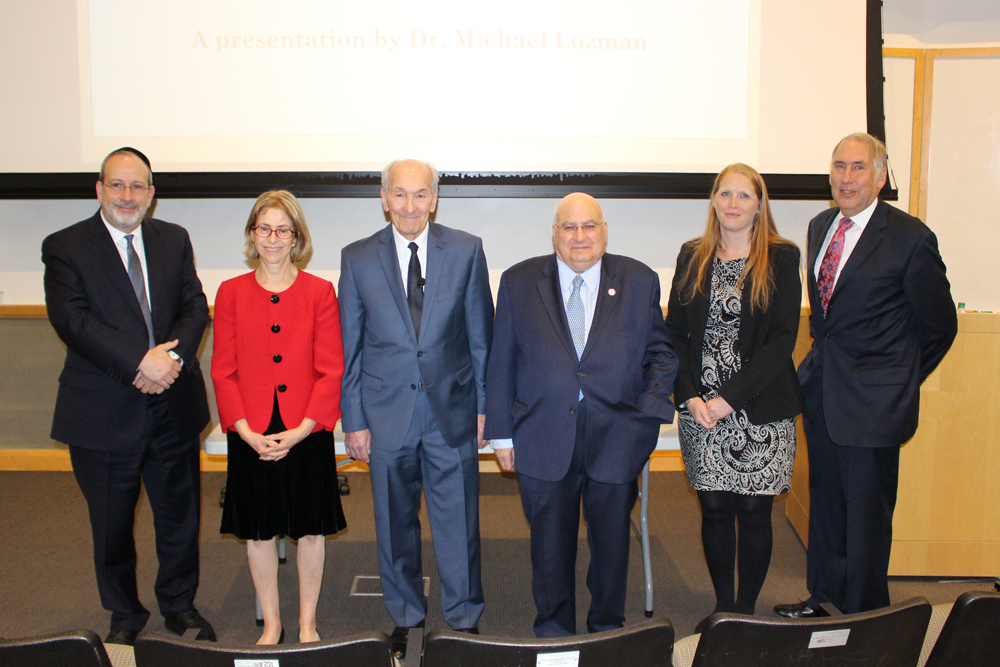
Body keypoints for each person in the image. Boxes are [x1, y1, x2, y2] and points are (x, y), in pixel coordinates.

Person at [774, 133, 957, 618]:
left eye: (858, 167)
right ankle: (824, 597)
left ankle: (868, 617)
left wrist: (897, 381)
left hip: (875, 406)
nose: (846, 178)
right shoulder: (819, 225)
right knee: (827, 505)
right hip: (824, 393)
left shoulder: (910, 238)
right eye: (839, 166)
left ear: (880, 176)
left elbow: (939, 326)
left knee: (868, 519)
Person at [41, 147, 215, 646]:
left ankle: (180, 606)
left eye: (138, 186)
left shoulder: (173, 240)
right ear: (98, 189)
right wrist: (142, 362)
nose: (127, 195)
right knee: (112, 524)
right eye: (117, 184)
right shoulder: (66, 246)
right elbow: (73, 321)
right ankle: (124, 612)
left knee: (179, 518)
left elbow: (194, 306)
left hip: (173, 406)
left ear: (151, 195)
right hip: (103, 411)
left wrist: (172, 360)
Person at [485, 193, 678, 637]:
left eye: (588, 226)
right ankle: (554, 631)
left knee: (611, 546)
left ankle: (607, 627)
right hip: (541, 435)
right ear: (554, 234)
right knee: (549, 547)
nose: (579, 237)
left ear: (604, 230)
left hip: (617, 437)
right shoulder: (518, 281)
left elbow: (662, 356)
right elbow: (501, 362)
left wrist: (647, 420)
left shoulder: (639, 279)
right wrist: (502, 435)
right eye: (568, 228)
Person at [338, 159, 493, 655]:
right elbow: (352, 349)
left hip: (452, 411)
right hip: (386, 416)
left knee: (458, 521)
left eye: (420, 194)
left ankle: (463, 618)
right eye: (400, 195)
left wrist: (486, 408)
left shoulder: (466, 250)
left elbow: (480, 339)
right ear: (384, 198)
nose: (410, 206)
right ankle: (405, 614)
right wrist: (354, 419)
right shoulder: (357, 257)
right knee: (393, 522)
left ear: (434, 198)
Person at [665, 164, 803, 630]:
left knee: (753, 508)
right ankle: (724, 606)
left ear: (759, 205)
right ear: (714, 201)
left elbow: (782, 339)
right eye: (725, 194)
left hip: (760, 409)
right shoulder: (693, 255)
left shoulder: (781, 257)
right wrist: (690, 398)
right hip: (702, 411)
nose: (733, 204)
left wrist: (730, 399)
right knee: (716, 507)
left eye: (744, 195)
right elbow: (675, 335)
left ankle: (746, 610)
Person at [212, 191, 346, 645]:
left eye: (282, 229)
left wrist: (304, 429)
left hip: (306, 429)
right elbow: (223, 370)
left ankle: (307, 622)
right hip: (250, 431)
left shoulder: (319, 292)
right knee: (259, 532)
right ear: (253, 234)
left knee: (309, 532)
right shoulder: (230, 292)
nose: (273, 238)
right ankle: (271, 622)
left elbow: (332, 369)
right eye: (264, 228)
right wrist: (246, 432)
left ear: (296, 238)